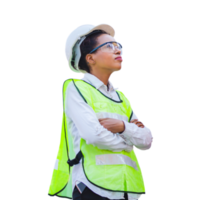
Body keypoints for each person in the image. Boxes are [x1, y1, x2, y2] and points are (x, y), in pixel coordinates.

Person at [46, 23, 155, 200]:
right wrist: (128, 144)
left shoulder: (122, 98)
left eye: (119, 45)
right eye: (109, 46)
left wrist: (122, 127)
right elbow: (94, 135)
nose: (118, 51)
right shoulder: (75, 88)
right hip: (93, 187)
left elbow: (148, 140)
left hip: (127, 189)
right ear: (90, 58)